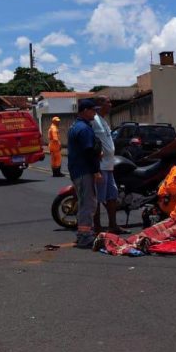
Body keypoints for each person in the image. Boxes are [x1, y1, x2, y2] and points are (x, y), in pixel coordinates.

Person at [67, 99, 102, 249]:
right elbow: (88, 151)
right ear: (85, 110)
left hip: (78, 169)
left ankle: (85, 233)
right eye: (93, 110)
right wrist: (96, 170)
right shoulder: (84, 129)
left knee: (85, 203)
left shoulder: (77, 126)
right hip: (84, 170)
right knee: (87, 204)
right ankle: (84, 237)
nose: (95, 113)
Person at [91, 96, 123, 234]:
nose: (110, 104)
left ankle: (113, 225)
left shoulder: (103, 120)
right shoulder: (94, 120)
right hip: (101, 166)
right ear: (99, 105)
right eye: (108, 102)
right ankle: (97, 227)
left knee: (112, 196)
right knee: (98, 198)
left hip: (109, 166)